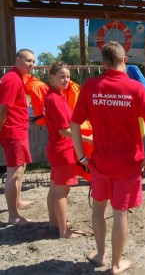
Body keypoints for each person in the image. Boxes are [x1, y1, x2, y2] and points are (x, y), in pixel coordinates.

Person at [70, 41, 145, 275]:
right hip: (129, 164)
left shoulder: (90, 86)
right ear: (125, 60)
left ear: (102, 63)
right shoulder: (136, 88)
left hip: (100, 162)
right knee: (120, 212)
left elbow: (74, 123)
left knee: (98, 210)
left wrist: (81, 157)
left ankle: (100, 255)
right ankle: (116, 264)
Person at [0, 49, 35, 225]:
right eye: (28, 60)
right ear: (18, 60)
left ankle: (18, 201)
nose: (32, 64)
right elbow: (1, 109)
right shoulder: (12, 79)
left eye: (33, 61)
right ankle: (13, 215)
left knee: (20, 168)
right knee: (14, 173)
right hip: (13, 132)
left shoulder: (15, 77)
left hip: (18, 130)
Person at [44, 62, 92, 238]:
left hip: (57, 148)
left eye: (68, 77)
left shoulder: (55, 95)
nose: (66, 80)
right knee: (62, 192)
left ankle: (54, 223)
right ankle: (64, 231)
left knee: (55, 189)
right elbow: (64, 130)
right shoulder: (54, 99)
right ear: (52, 78)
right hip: (62, 150)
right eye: (62, 76)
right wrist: (87, 139)